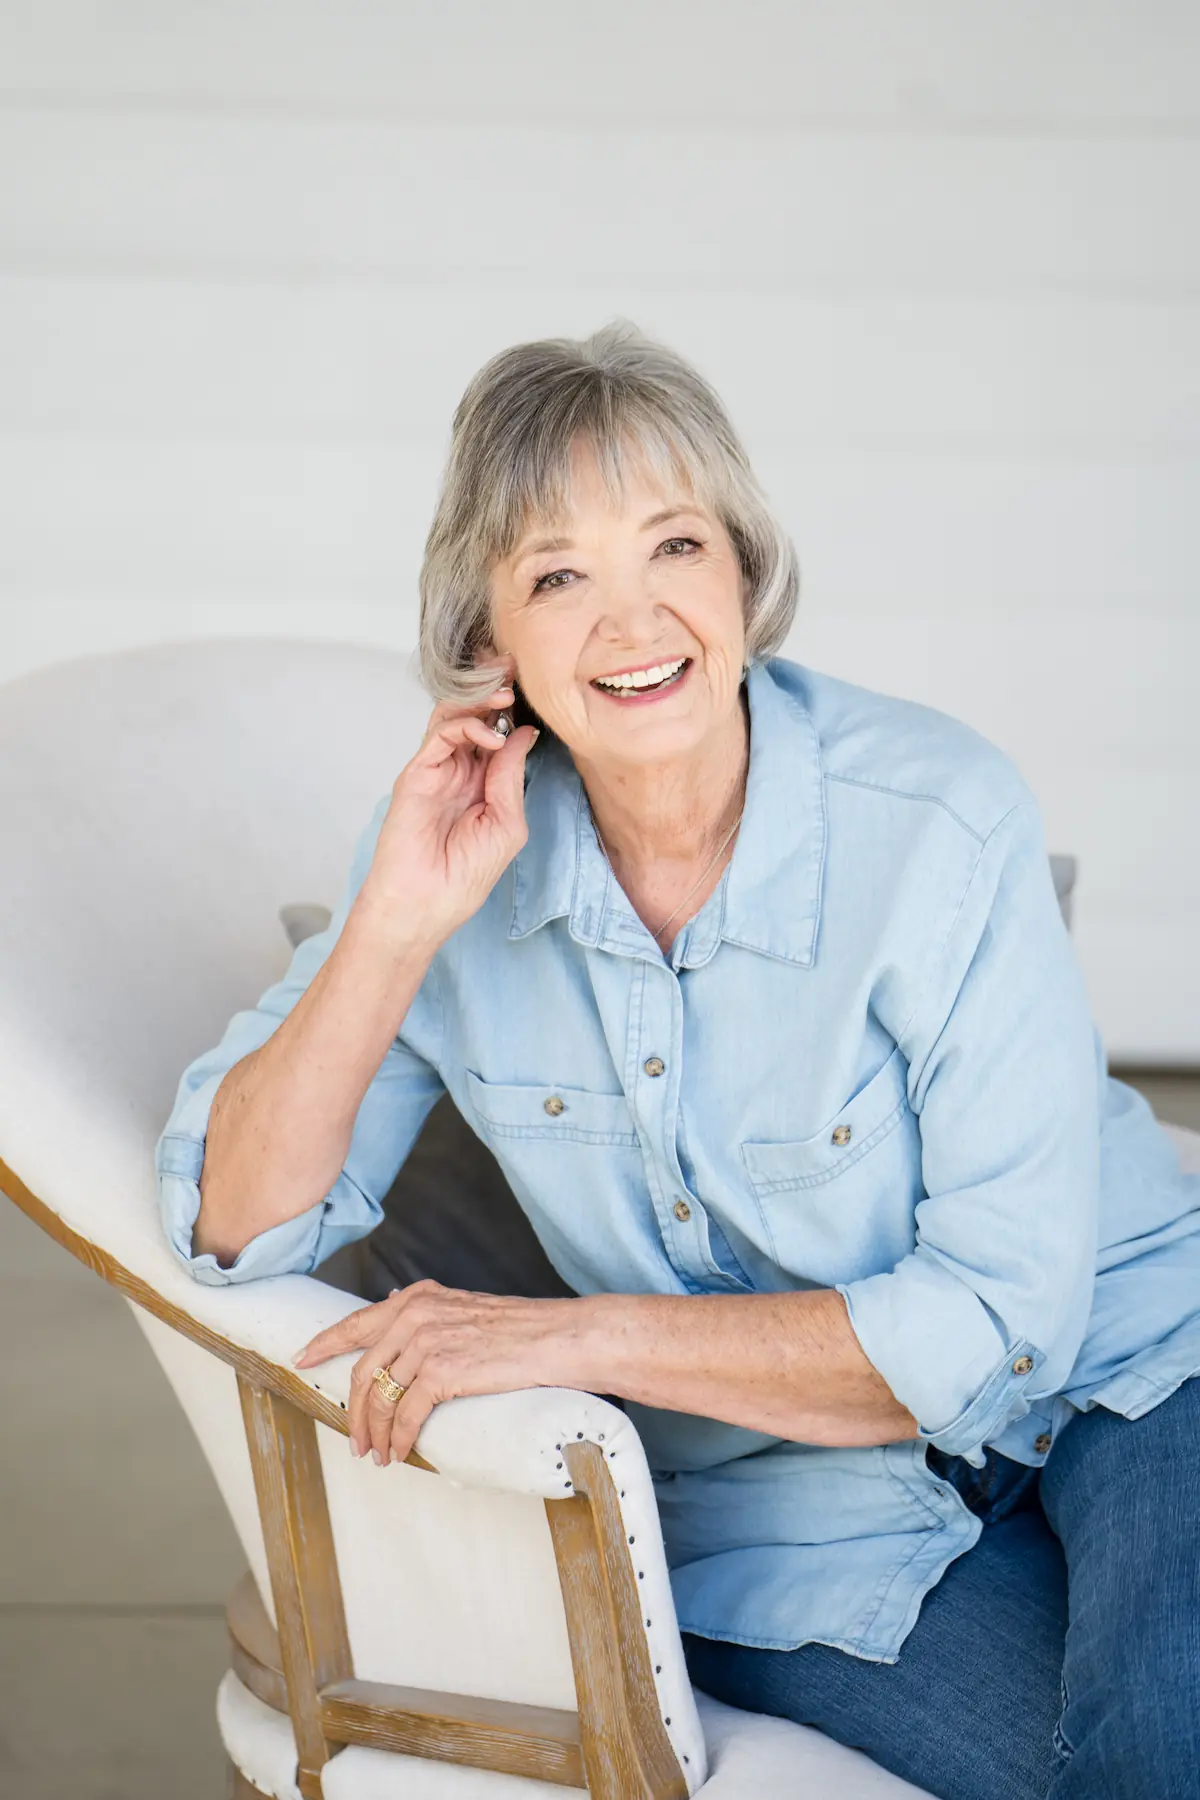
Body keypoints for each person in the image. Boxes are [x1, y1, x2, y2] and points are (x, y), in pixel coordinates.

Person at [155, 320, 1200, 1799]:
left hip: (1132, 1365)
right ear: (487, 644)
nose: (633, 623)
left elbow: (1001, 1326)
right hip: (790, 1512)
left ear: (744, 576)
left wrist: (570, 1337)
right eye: (558, 575)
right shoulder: (459, 875)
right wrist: (390, 928)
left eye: (675, 549)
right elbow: (232, 1225)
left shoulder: (943, 820)